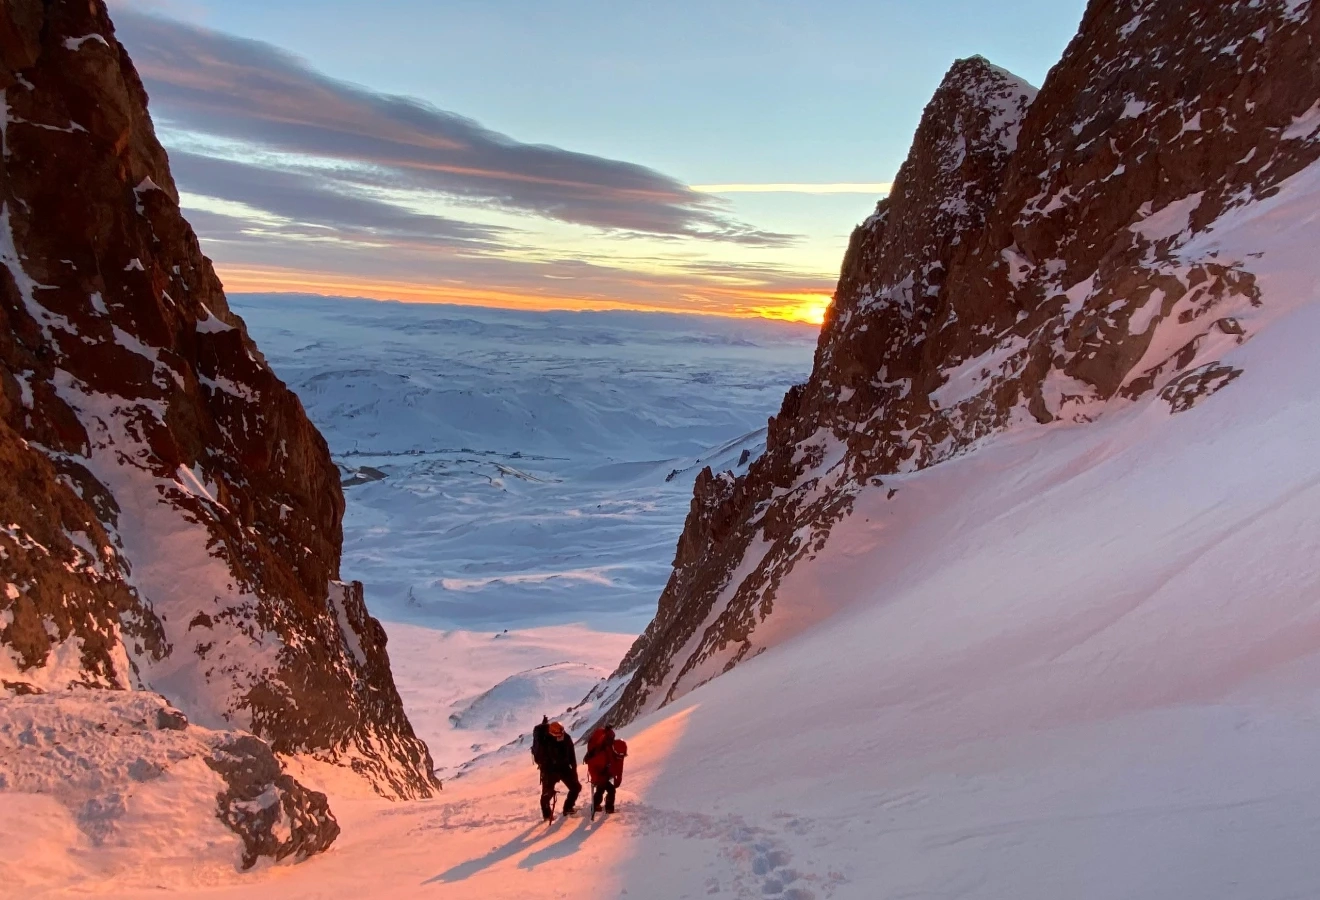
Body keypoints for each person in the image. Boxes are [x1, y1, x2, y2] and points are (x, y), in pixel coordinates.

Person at [531, 716, 580, 820]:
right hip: (549, 769)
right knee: (547, 794)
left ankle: (568, 808)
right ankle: (547, 814)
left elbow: (571, 753)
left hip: (561, 768)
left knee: (576, 787)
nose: (560, 736)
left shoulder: (565, 737)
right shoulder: (545, 740)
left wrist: (574, 769)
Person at [585, 724, 627, 815]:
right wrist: (596, 779)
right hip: (599, 774)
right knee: (608, 789)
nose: (620, 757)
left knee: (603, 788)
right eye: (619, 755)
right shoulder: (603, 754)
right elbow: (592, 765)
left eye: (622, 756)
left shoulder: (617, 754)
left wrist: (618, 779)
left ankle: (597, 806)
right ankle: (607, 808)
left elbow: (619, 768)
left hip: (605, 772)